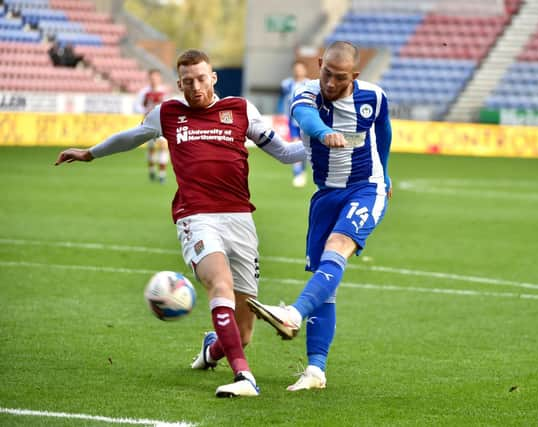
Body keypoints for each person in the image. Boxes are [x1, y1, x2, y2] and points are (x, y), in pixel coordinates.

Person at [54, 49, 306, 398]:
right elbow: (133, 135)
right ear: (179, 83)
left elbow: (286, 153)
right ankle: (244, 377)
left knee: (243, 333)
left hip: (240, 218)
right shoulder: (169, 113)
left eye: (202, 79)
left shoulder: (240, 110)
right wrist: (90, 152)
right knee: (220, 284)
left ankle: (211, 350)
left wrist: (320, 143)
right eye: (188, 82)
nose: (196, 87)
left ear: (213, 77)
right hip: (196, 215)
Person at [247, 41, 393, 391]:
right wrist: (323, 132)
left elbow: (384, 131)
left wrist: (385, 175)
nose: (330, 82)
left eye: (340, 77)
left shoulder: (373, 97)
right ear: (319, 65)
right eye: (326, 72)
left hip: (365, 188)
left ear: (354, 76)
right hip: (325, 195)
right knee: (325, 287)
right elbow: (305, 119)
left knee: (338, 245)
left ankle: (292, 313)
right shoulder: (306, 93)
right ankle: (315, 371)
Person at [134, 69, 169, 183]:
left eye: (156, 77)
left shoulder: (165, 92)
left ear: (160, 78)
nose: (154, 80)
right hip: (149, 123)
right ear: (149, 78)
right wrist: (146, 110)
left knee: (163, 146)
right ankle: (152, 170)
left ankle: (162, 175)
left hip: (162, 123)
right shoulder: (144, 92)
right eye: (152, 77)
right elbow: (136, 106)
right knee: (152, 148)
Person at [280, 60, 310, 187]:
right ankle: (297, 173)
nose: (298, 71)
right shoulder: (286, 84)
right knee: (294, 144)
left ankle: (302, 171)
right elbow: (283, 100)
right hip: (292, 121)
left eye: (300, 68)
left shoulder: (310, 84)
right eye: (296, 68)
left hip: (305, 121)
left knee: (305, 147)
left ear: (305, 70)